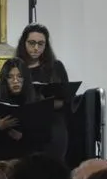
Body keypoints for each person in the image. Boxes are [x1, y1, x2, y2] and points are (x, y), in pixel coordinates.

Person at [15, 23, 71, 161]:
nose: (36, 48)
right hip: (24, 128)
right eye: (32, 43)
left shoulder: (56, 67)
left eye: (41, 44)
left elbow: (65, 100)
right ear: (24, 43)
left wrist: (42, 103)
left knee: (52, 170)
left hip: (51, 126)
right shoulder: (15, 67)